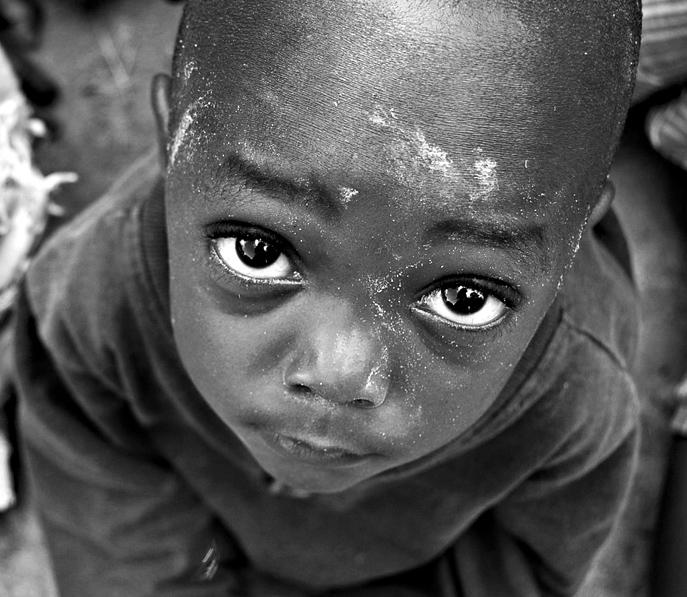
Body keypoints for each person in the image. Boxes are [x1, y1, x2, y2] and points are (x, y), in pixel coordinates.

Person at [12, 0, 643, 595]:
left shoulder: (574, 397)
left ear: (574, 240)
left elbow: (512, 575)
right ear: (172, 141)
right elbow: (115, 548)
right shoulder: (91, 301)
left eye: (463, 297)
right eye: (257, 250)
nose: (341, 374)